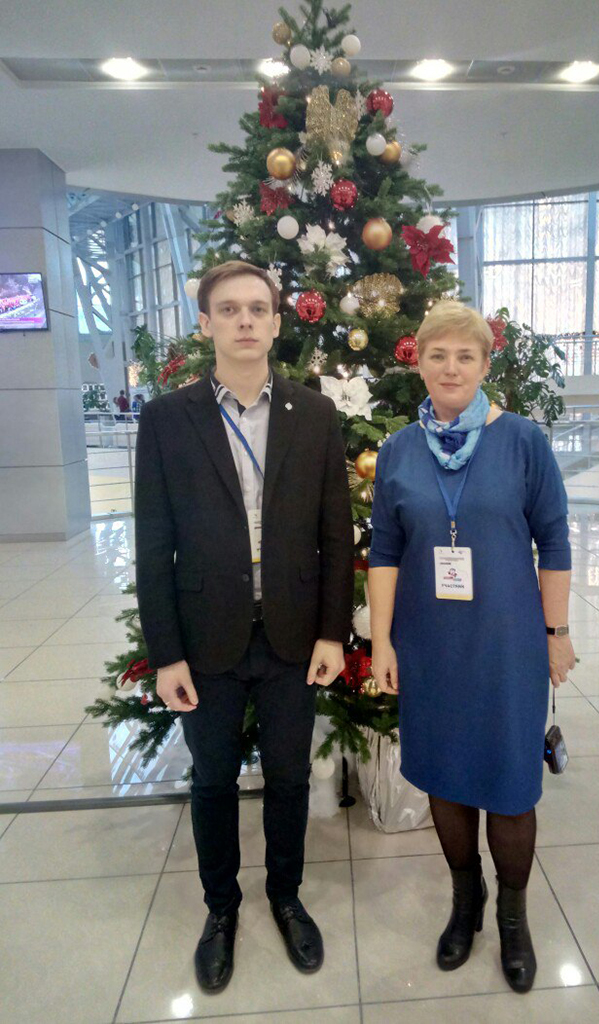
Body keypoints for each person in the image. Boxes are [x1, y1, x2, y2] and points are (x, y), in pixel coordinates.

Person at [134, 261, 354, 993]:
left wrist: (332, 633)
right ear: (206, 324)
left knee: (290, 774)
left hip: (293, 633)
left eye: (258, 308)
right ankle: (220, 909)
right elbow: (152, 543)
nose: (245, 320)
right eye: (228, 309)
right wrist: (166, 654)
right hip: (207, 637)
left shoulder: (314, 414)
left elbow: (335, 532)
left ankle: (285, 896)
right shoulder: (168, 419)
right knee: (213, 780)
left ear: (277, 323)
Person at [368, 300, 574, 994]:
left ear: (486, 364)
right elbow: (385, 550)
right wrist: (383, 641)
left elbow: (555, 542)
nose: (451, 367)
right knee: (445, 777)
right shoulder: (398, 451)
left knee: (511, 788)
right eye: (438, 355)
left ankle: (513, 917)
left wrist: (556, 633)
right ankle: (466, 901)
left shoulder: (521, 441)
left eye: (465, 355)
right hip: (429, 645)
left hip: (507, 643)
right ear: (419, 363)